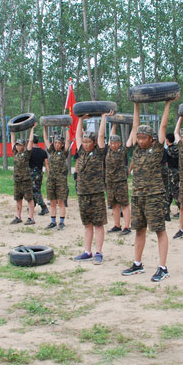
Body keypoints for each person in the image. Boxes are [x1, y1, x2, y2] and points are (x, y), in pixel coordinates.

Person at [122, 95, 176, 282]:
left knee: (159, 230)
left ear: (152, 139)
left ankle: (163, 268)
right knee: (139, 230)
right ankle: (137, 264)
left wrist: (167, 103)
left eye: (144, 138)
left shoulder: (158, 148)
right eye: (138, 138)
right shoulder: (137, 149)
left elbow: (163, 126)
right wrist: (136, 105)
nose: (140, 140)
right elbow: (135, 125)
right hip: (138, 195)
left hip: (154, 195)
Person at [73, 113, 109, 264]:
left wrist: (103, 117)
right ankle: (87, 252)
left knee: (98, 224)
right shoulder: (81, 152)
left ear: (94, 143)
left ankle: (98, 252)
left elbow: (101, 135)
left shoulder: (99, 152)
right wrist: (81, 119)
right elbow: (77, 136)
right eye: (85, 142)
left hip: (96, 193)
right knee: (87, 224)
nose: (86, 144)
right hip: (82, 193)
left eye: (89, 142)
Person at [105, 125, 132, 235]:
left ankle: (127, 227)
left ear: (119, 143)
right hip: (110, 183)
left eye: (116, 143)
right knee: (114, 204)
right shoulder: (108, 151)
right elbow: (111, 136)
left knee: (124, 204)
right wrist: (114, 124)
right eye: (112, 143)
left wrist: (133, 129)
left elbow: (129, 141)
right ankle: (117, 225)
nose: (113, 145)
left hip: (120, 182)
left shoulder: (122, 151)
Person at [43, 126, 70, 230]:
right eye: (55, 143)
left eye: (59, 143)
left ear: (62, 144)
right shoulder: (52, 151)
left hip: (61, 181)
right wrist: (44, 127)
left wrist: (66, 129)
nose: (57, 145)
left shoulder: (64, 152)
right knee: (52, 202)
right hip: (51, 180)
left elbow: (68, 140)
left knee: (61, 202)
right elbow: (46, 139)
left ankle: (61, 223)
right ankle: (53, 222)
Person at [10, 125, 37, 225]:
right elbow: (12, 141)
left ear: (24, 146)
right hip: (17, 180)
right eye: (17, 145)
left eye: (20, 145)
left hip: (25, 180)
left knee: (29, 199)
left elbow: (30, 141)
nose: (18, 146)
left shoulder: (26, 154)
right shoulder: (15, 153)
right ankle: (18, 217)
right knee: (18, 199)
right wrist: (12, 131)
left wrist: (32, 129)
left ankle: (31, 218)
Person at [30, 134, 50, 216]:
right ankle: (32, 205)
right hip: (39, 173)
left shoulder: (29, 152)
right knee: (36, 189)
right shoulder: (43, 152)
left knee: (35, 191)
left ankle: (44, 207)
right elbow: (46, 164)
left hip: (32, 174)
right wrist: (49, 174)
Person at [163, 133, 179, 221]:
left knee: (174, 192)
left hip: (171, 173)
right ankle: (166, 212)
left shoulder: (168, 150)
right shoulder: (177, 148)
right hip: (177, 171)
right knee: (169, 192)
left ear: (167, 140)